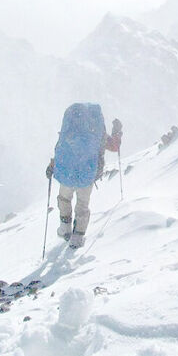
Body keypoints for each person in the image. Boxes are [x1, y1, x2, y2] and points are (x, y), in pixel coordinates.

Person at [46, 103, 122, 249]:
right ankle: (78, 237)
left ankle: (65, 227)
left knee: (64, 198)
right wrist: (117, 131)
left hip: (68, 173)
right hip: (88, 174)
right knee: (82, 205)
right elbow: (114, 147)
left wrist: (51, 167)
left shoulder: (69, 132)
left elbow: (60, 151)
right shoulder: (98, 134)